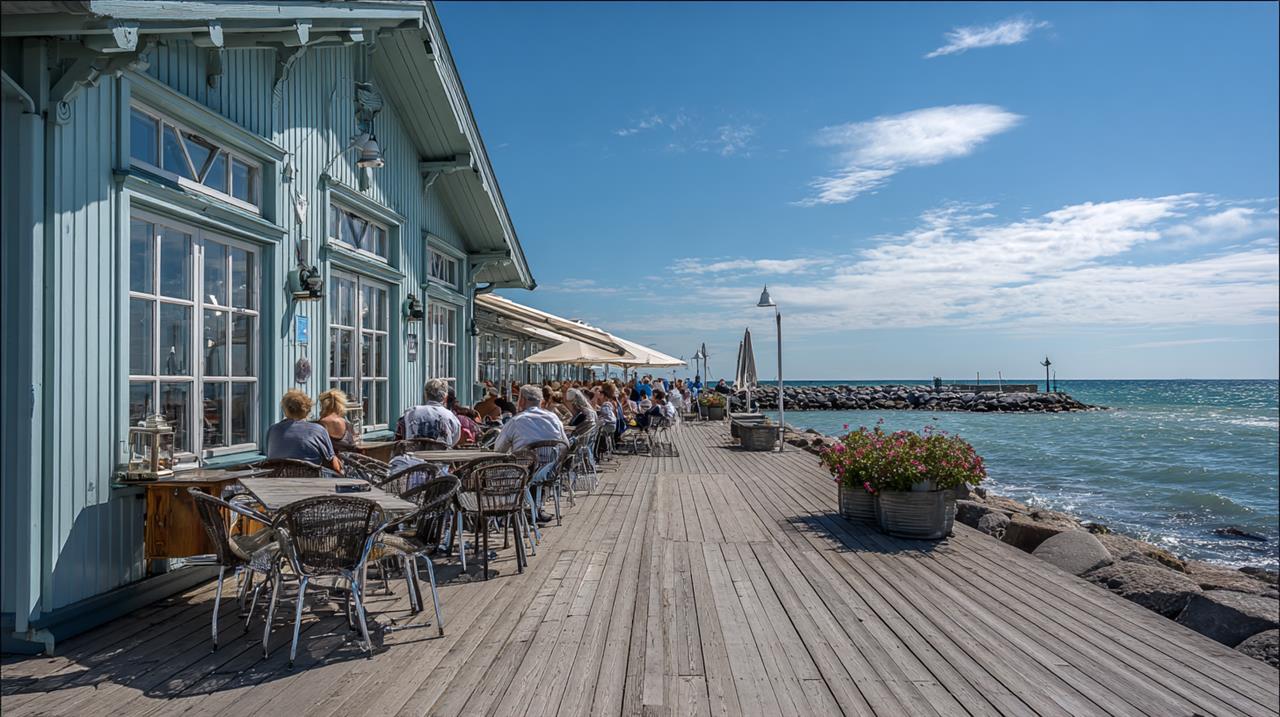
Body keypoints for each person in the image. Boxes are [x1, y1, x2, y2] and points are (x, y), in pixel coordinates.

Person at [265, 389, 342, 473]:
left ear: (285, 410)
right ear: (307, 410)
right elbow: (335, 467)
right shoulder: (318, 430)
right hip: (310, 481)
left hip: (277, 480)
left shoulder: (272, 430)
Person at [493, 384, 568, 454]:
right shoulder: (554, 418)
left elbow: (499, 449)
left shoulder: (516, 421)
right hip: (551, 466)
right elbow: (566, 445)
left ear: (522, 401)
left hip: (523, 466)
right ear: (540, 402)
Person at [395, 378, 461, 446]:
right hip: (441, 455)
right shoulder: (451, 417)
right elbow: (454, 440)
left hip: (414, 454)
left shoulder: (410, 413)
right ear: (445, 398)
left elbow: (399, 436)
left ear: (426, 395)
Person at [316, 389, 358, 453]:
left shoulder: (321, 423)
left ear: (323, 405)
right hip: (350, 460)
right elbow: (353, 442)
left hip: (330, 461)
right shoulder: (347, 424)